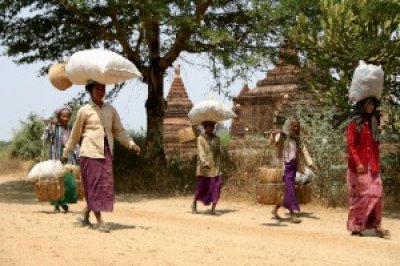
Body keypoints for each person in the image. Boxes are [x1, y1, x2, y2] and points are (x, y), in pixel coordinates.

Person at [61, 80, 140, 232]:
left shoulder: (110, 109)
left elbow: (120, 131)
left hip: (106, 152)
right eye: (97, 88)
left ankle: (86, 212)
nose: (101, 91)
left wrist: (131, 144)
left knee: (104, 187)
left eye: (103, 88)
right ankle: (99, 220)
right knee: (94, 185)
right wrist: (66, 153)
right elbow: (75, 135)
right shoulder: (84, 110)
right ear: (90, 91)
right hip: (89, 152)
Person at [346, 96, 390, 238]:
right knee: (363, 196)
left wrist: (377, 163)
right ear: (362, 105)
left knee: (378, 194)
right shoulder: (354, 124)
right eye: (369, 104)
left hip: (373, 165)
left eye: (373, 104)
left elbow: (376, 145)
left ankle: (376, 224)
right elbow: (351, 145)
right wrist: (358, 162)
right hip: (359, 166)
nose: (371, 106)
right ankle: (356, 226)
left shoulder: (373, 122)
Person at [271, 117, 316, 223]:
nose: (295, 128)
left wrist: (311, 164)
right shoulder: (283, 137)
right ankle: (294, 214)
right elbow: (275, 141)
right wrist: (275, 134)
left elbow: (305, 152)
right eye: (293, 126)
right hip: (284, 167)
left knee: (289, 190)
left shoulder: (297, 140)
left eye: (297, 126)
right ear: (289, 126)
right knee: (290, 189)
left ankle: (275, 209)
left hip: (293, 167)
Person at [42, 105, 79, 213]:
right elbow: (44, 139)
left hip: (69, 157)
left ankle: (63, 201)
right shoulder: (53, 127)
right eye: (63, 116)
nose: (66, 119)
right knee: (56, 181)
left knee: (68, 180)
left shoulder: (71, 128)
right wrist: (49, 125)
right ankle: (58, 204)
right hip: (56, 158)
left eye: (68, 116)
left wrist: (78, 156)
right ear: (59, 116)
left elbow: (74, 143)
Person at [191, 121, 222, 215]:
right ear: (205, 127)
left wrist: (219, 167)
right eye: (210, 126)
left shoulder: (217, 139)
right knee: (201, 187)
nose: (212, 127)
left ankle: (213, 208)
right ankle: (194, 203)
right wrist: (204, 162)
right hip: (204, 168)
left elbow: (218, 153)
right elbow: (201, 152)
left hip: (215, 167)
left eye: (213, 126)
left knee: (217, 186)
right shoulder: (200, 138)